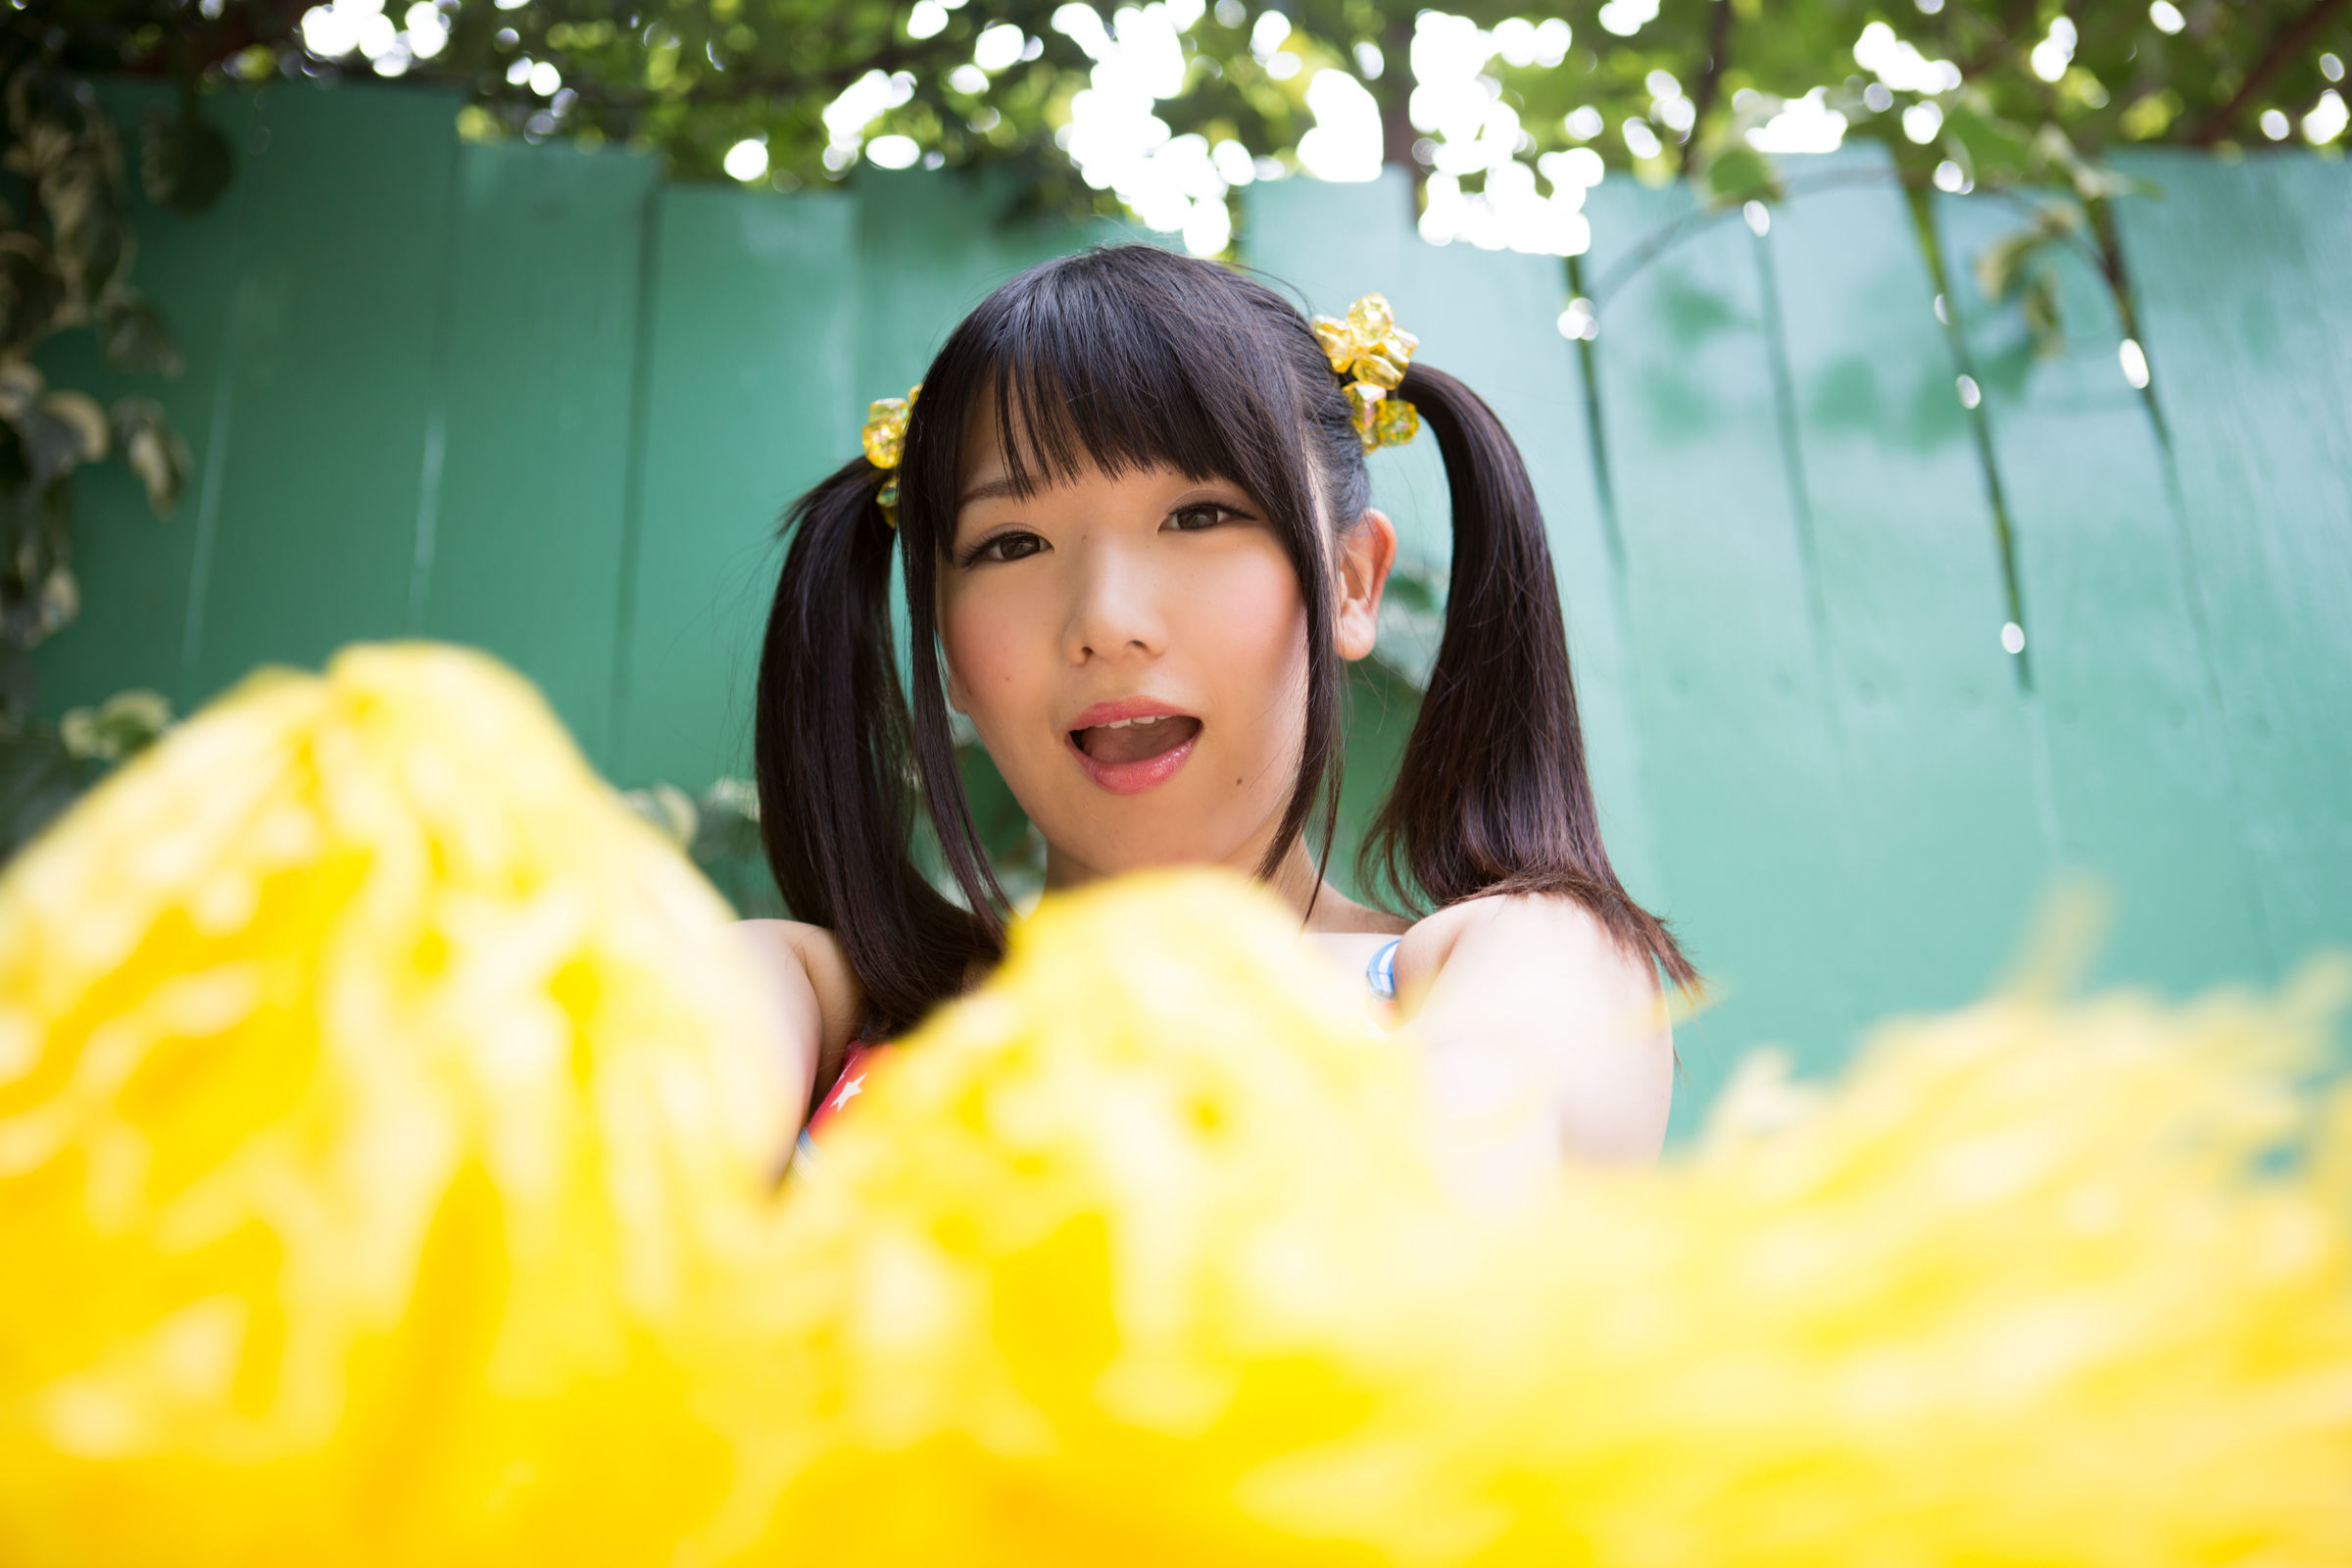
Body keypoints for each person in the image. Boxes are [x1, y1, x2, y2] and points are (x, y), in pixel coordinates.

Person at [730, 244, 1694, 1197]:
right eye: (1012, 543)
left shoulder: (1516, 963)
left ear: (1350, 582)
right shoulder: (808, 1001)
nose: (1106, 620)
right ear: (946, 644)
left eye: (1199, 515)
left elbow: (1465, 1194)